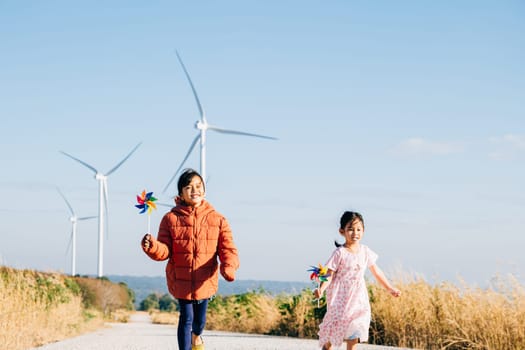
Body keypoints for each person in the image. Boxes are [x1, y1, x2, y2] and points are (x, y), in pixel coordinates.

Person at [141, 168, 239, 350]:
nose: (195, 190)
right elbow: (164, 250)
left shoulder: (218, 219)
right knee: (186, 318)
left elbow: (228, 248)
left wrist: (229, 266)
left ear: (205, 190)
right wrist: (152, 246)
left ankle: (197, 337)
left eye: (198, 186)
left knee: (199, 323)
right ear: (180, 194)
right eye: (188, 187)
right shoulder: (170, 219)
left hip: (205, 280)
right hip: (181, 279)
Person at [314, 211, 401, 350]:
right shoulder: (339, 253)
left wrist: (390, 288)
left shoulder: (365, 251)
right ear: (342, 231)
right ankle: (327, 346)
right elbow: (328, 274)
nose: (355, 233)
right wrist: (321, 289)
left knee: (355, 329)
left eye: (358, 229)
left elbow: (377, 272)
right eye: (350, 229)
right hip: (340, 299)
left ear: (363, 231)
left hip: (358, 298)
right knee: (336, 329)